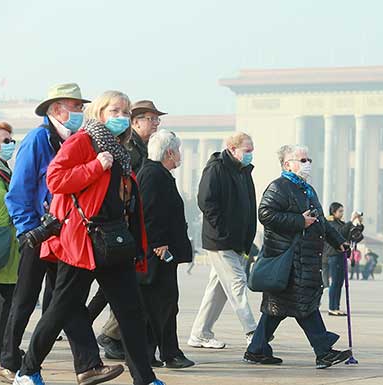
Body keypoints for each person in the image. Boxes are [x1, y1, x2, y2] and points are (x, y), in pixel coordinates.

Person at [14, 91, 164, 385]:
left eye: (126, 112)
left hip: (113, 241)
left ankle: (144, 378)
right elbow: (55, 179)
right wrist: (96, 165)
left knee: (131, 312)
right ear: (100, 113)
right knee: (60, 310)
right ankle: (28, 370)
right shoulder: (83, 141)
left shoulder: (121, 149)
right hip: (83, 242)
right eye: (115, 111)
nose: (122, 117)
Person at [0, 84, 108, 384]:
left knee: (65, 300)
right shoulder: (38, 139)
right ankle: (9, 360)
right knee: (24, 300)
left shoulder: (75, 141)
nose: (79, 112)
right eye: (75, 106)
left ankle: (87, 365)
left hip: (65, 234)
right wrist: (27, 230)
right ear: (55, 109)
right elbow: (19, 191)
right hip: (38, 232)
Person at [244, 144, 352, 368]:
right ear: (287, 164)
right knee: (304, 306)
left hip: (305, 258)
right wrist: (298, 221)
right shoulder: (279, 187)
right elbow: (265, 213)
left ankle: (256, 350)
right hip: (288, 259)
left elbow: (320, 221)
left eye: (308, 159)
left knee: (278, 308)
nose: (307, 164)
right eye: (302, 160)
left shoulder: (307, 190)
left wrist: (338, 241)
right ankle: (323, 352)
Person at [92, 100, 166, 362]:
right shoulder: (128, 147)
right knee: (120, 286)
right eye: (150, 119)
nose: (155, 123)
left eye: (157, 119)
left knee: (114, 287)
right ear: (136, 122)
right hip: (114, 225)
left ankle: (99, 332)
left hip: (127, 224)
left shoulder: (141, 147)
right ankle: (109, 336)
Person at [188, 132, 258, 349]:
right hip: (220, 240)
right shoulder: (216, 168)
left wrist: (247, 239)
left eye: (252, 150)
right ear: (232, 148)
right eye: (247, 150)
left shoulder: (244, 171)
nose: (250, 154)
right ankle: (253, 332)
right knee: (237, 282)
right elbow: (206, 202)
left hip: (236, 241)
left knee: (217, 290)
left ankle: (200, 333)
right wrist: (223, 232)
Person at [137, 130, 194, 368]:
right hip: (157, 253)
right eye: (178, 150)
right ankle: (170, 353)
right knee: (165, 304)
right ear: (169, 152)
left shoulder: (157, 173)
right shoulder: (153, 175)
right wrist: (159, 243)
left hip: (158, 252)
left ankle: (151, 353)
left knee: (158, 305)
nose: (180, 155)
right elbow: (149, 213)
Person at [0, 123, 20, 366]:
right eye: (5, 141)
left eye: (12, 141)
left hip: (7, 245)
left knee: (5, 297)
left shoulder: (4, 171)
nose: (11, 145)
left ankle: (0, 346)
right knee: (2, 297)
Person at [323, 202, 353, 316]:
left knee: (340, 282)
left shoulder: (340, 222)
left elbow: (348, 234)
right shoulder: (330, 223)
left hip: (342, 254)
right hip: (333, 255)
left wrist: (357, 224)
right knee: (335, 282)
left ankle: (337, 306)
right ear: (333, 212)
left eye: (342, 211)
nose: (341, 213)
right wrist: (351, 221)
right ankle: (332, 307)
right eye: (340, 211)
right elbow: (340, 232)